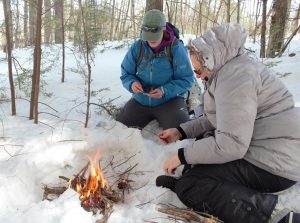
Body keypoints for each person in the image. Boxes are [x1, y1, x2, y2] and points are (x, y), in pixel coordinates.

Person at [156, 23, 300, 223]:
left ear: (210, 60)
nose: (199, 76)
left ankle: (273, 215)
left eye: (198, 71)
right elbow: (220, 117)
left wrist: (181, 156)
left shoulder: (236, 79)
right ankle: (198, 187)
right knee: (196, 166)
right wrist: (181, 131)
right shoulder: (229, 69)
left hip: (274, 164)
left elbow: (231, 145)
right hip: (265, 147)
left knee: (191, 183)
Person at [116, 9, 194, 130]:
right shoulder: (138, 47)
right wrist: (132, 84)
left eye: (155, 36)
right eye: (148, 37)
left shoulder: (176, 48)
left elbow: (187, 79)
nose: (151, 40)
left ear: (163, 30)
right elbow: (126, 73)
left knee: (181, 132)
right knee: (120, 129)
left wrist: (165, 90)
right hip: (141, 100)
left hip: (169, 100)